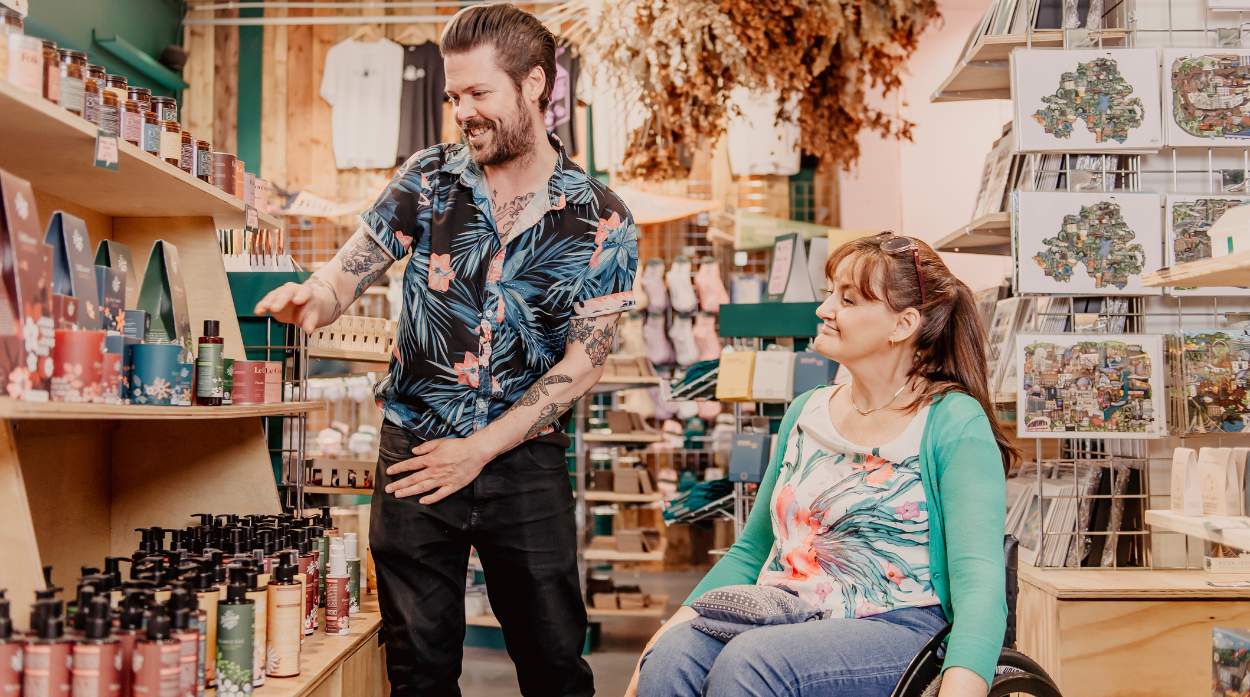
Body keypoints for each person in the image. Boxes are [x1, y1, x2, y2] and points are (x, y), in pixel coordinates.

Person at [254, 5, 639, 695]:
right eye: (454, 96)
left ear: (534, 85)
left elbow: (584, 362)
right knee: (419, 668)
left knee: (554, 663)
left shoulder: (601, 217)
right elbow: (348, 271)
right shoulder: (427, 177)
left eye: (478, 93)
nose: (462, 112)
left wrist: (481, 448)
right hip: (415, 455)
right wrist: (312, 297)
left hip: (524, 462)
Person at [629, 232, 1013, 697]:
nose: (824, 309)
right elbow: (752, 550)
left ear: (903, 324)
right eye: (830, 294)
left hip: (900, 625)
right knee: (672, 655)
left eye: (847, 300)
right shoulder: (806, 411)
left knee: (753, 662)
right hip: (786, 611)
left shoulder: (951, 420)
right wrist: (664, 633)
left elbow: (979, 584)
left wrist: (963, 685)